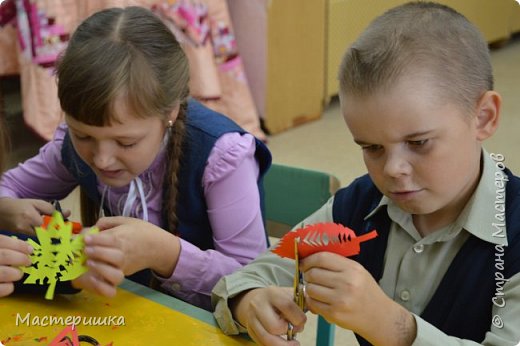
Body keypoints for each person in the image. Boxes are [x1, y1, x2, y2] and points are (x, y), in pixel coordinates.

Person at [211, 2, 520, 345]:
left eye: (418, 142)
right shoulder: (361, 205)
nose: (391, 170)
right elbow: (251, 277)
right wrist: (248, 301)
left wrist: (391, 325)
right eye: (372, 148)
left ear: (484, 118)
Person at [0, 6, 271, 310]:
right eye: (84, 136)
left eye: (126, 142)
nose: (102, 159)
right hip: (130, 314)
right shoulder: (71, 145)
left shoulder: (223, 158)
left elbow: (255, 283)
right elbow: (8, 188)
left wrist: (165, 253)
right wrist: (6, 209)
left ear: (170, 113)